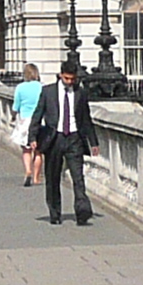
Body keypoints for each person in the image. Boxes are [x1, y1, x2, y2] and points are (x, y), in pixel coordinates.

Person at [26, 62, 97, 226]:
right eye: (67, 78)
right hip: (54, 138)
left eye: (73, 79)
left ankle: (82, 212)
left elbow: (86, 119)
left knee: (78, 177)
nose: (70, 82)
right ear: (60, 75)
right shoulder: (48, 92)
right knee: (53, 177)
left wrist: (93, 141)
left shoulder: (80, 93)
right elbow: (37, 114)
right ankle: (55, 212)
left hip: (74, 138)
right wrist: (32, 137)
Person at [12, 71, 45, 186]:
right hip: (39, 119)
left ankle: (28, 170)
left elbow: (16, 106)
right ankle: (36, 177)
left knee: (26, 149)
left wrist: (12, 116)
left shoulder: (20, 87)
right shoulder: (41, 87)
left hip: (24, 120)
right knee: (38, 150)